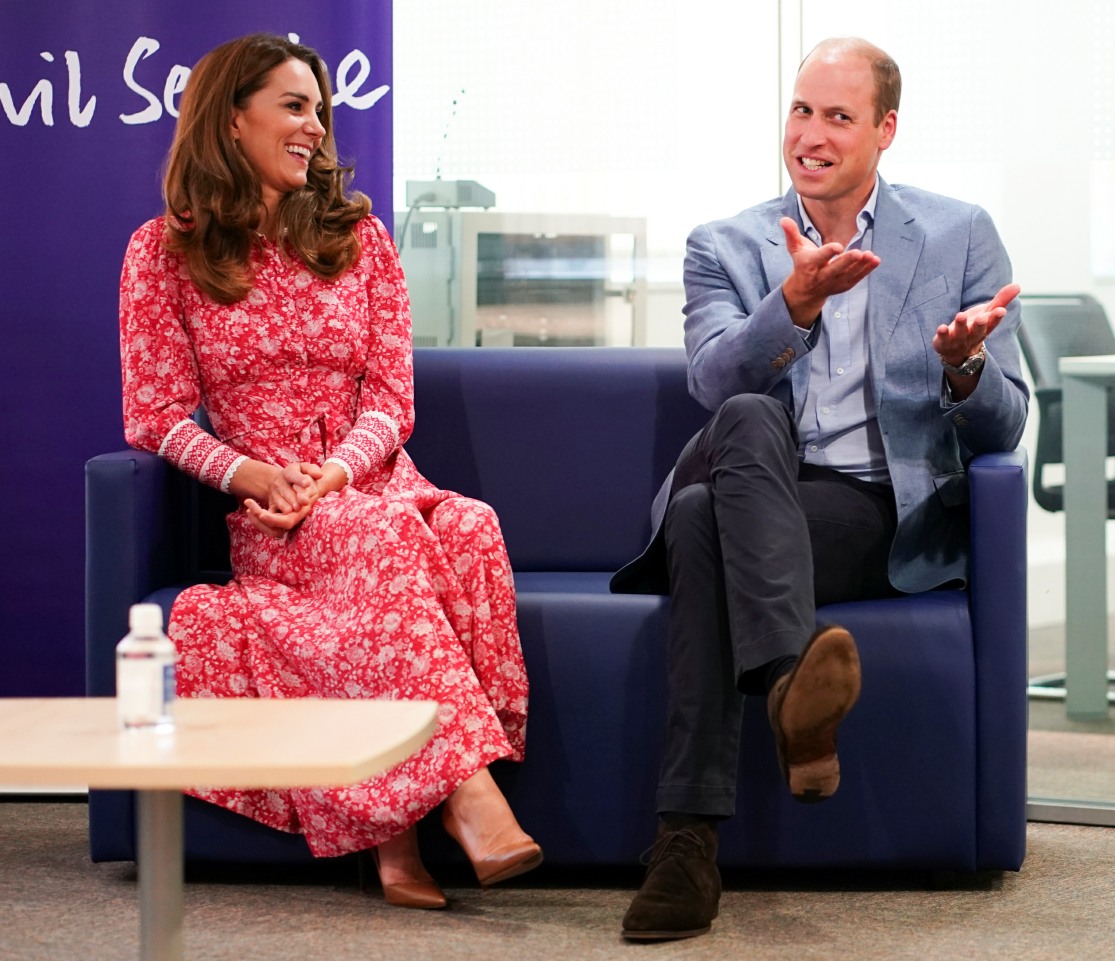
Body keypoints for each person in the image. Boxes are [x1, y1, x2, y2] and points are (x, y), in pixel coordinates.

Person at [610, 37, 1029, 940]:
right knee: (750, 422)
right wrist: (793, 305)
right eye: (802, 111)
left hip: (876, 508)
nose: (812, 134)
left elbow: (1007, 426)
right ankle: (792, 684)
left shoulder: (958, 233)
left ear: (884, 130)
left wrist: (966, 372)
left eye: (839, 116)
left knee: (694, 519)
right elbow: (717, 385)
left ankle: (684, 847)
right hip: (764, 475)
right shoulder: (724, 244)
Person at [118, 33, 541, 911]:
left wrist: (338, 472)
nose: (315, 127)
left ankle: (403, 826)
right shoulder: (164, 253)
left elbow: (392, 397)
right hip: (271, 512)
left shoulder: (363, 239)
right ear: (233, 120)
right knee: (383, 535)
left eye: (319, 109)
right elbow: (153, 414)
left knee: (470, 522)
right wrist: (248, 475)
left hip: (368, 479)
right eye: (294, 106)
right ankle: (464, 798)